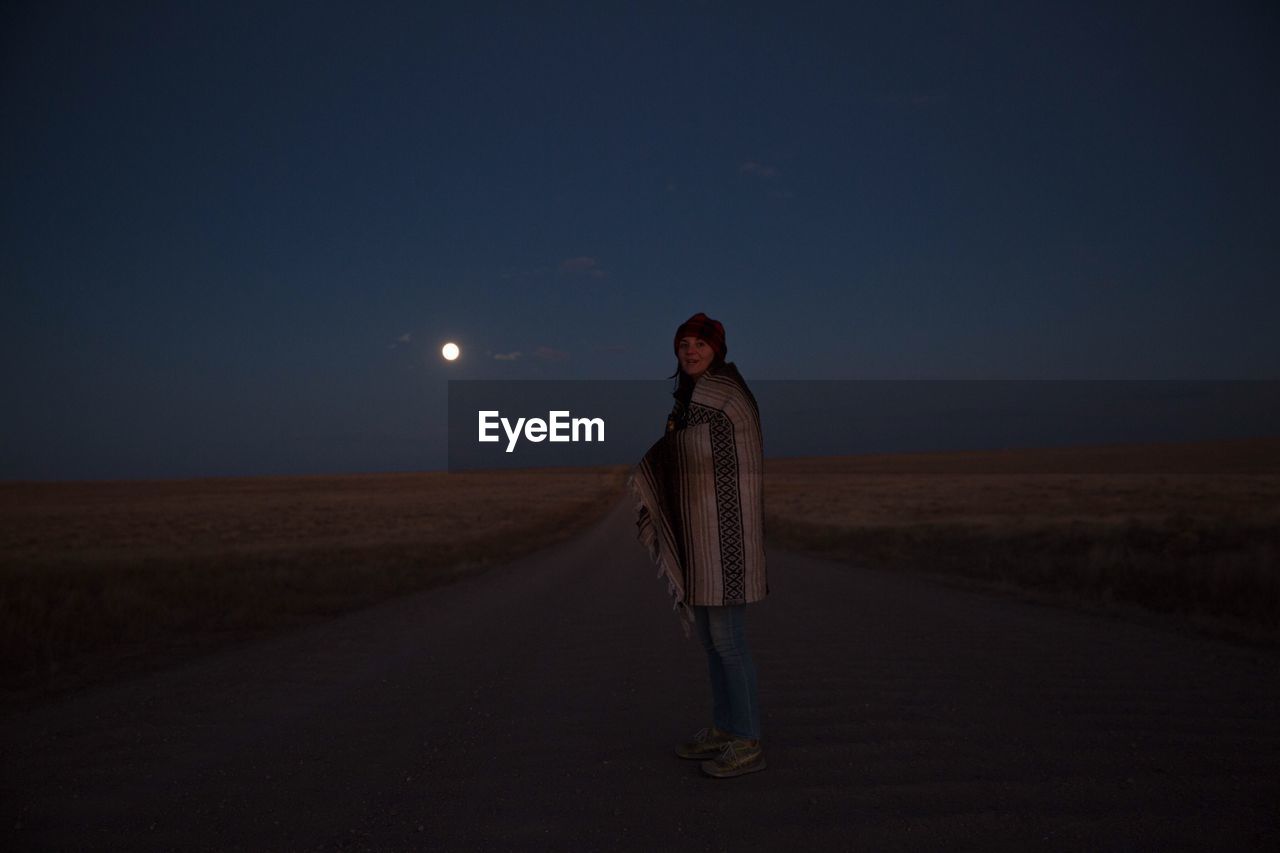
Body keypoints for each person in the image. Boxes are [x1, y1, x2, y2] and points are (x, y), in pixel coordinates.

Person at [627, 312, 768, 779]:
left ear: (717, 349)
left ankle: (747, 740)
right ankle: (726, 728)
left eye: (699, 344)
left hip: (726, 535)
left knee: (729, 641)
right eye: (683, 344)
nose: (690, 351)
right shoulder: (692, 397)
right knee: (712, 641)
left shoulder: (721, 392)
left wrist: (651, 464)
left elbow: (700, 454)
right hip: (703, 532)